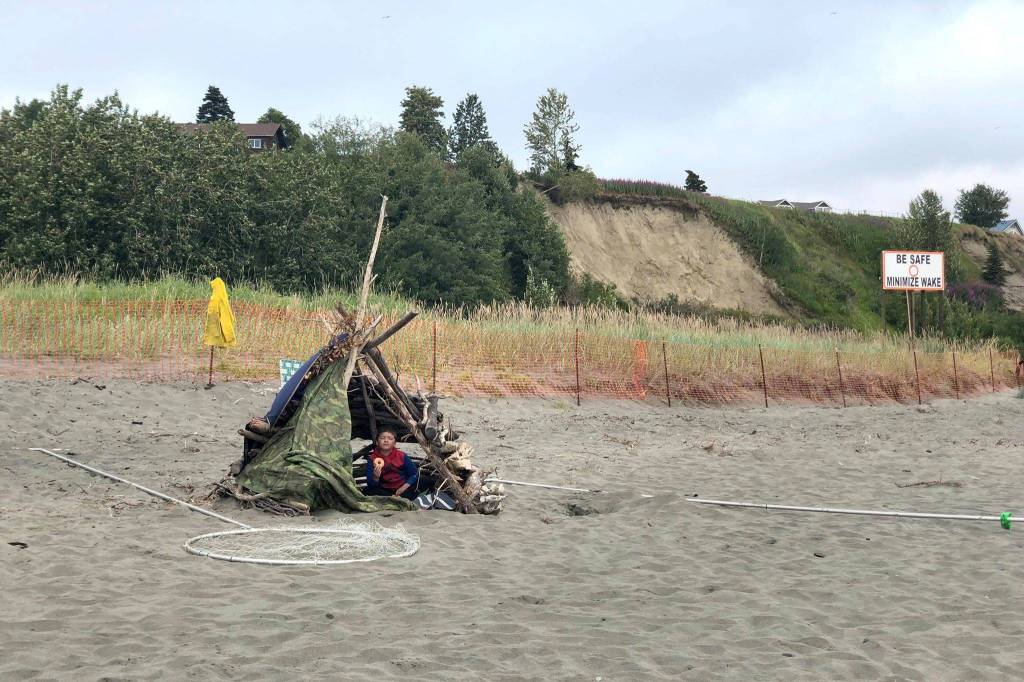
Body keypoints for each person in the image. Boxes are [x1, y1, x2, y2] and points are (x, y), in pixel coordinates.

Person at [364, 429, 419, 500]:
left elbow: (414, 474)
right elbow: (370, 484)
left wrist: (403, 488)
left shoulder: (402, 456)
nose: (386, 440)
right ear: (377, 442)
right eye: (382, 438)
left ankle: (395, 499)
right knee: (367, 491)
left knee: (423, 482)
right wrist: (375, 477)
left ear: (395, 443)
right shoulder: (372, 459)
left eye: (390, 438)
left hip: (403, 488)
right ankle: (394, 499)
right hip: (384, 490)